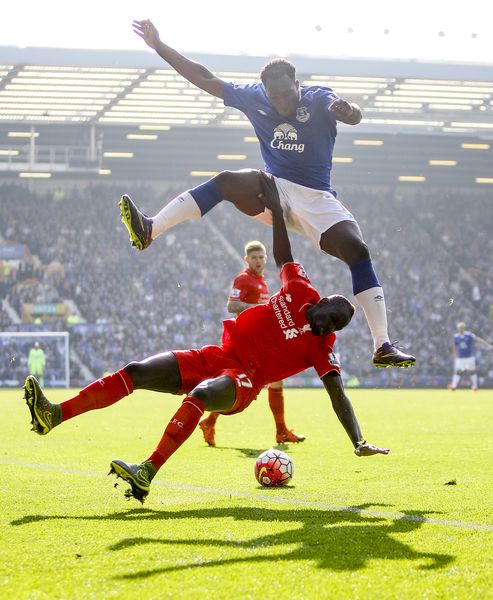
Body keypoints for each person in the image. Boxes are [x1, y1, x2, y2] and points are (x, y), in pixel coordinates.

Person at [23, 174, 389, 503]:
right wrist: (277, 210)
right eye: (331, 320)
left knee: (200, 395)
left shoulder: (322, 347)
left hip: (244, 381)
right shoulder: (300, 289)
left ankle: (146, 471)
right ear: (322, 302)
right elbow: (284, 253)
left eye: (335, 329)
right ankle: (53, 415)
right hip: (217, 356)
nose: (328, 330)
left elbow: (337, 394)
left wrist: (358, 441)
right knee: (136, 371)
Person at [119, 18, 416, 371]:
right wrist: (160, 46)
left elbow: (354, 115)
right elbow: (204, 77)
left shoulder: (320, 98)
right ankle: (150, 228)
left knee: (358, 251)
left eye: (287, 95)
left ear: (298, 84)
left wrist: (348, 111)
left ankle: (382, 344)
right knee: (228, 179)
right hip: (272, 187)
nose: (281, 103)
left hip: (315, 197)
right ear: (265, 91)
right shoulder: (255, 98)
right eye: (274, 97)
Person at [199, 240, 305, 446]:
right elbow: (232, 305)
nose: (257, 261)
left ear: (266, 258)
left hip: (258, 339)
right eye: (254, 258)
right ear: (246, 260)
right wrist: (258, 307)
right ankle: (210, 421)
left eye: (261, 257)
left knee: (275, 380)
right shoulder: (243, 279)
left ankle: (280, 431)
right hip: (245, 341)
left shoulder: (262, 280)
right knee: (243, 386)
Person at [448, 321, 493, 391]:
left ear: (464, 328)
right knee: (457, 371)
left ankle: (474, 386)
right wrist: (454, 355)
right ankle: (454, 386)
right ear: (458, 328)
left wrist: (487, 344)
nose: (460, 329)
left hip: (469, 357)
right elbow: (454, 346)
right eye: (459, 328)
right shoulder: (456, 337)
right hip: (460, 357)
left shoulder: (469, 335)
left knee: (472, 372)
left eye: (462, 327)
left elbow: (478, 339)